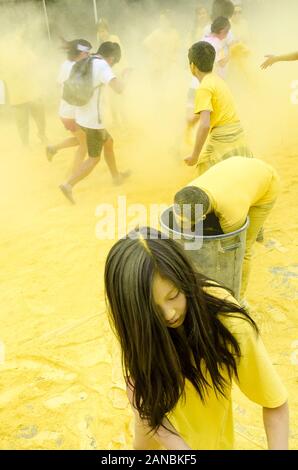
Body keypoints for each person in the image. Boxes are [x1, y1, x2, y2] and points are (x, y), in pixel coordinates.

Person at [104, 226, 289, 450]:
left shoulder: (229, 324)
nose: (170, 314)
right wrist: (175, 445)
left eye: (174, 296)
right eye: (152, 311)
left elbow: (275, 403)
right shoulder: (135, 328)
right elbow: (142, 401)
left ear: (185, 278)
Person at [174, 156, 280, 298]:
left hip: (266, 182)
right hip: (236, 169)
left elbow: (232, 253)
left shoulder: (232, 214)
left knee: (245, 248)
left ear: (202, 217)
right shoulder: (187, 193)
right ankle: (256, 224)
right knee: (242, 204)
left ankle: (239, 298)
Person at [59, 42, 130, 204]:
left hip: (82, 116)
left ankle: (116, 177)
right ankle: (68, 184)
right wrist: (125, 77)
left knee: (109, 142)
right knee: (94, 158)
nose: (113, 64)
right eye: (114, 61)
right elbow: (119, 89)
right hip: (93, 121)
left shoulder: (88, 60)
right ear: (111, 58)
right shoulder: (103, 66)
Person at [185, 41, 252, 174]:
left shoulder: (203, 88)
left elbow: (204, 125)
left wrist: (194, 156)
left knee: (204, 171)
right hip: (239, 137)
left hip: (223, 140)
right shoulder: (218, 80)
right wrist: (192, 121)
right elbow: (210, 109)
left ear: (192, 66)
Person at [46, 39, 92, 175]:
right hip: (71, 114)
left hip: (67, 112)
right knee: (85, 144)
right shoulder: (74, 67)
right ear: (79, 53)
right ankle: (72, 175)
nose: (88, 56)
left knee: (82, 139)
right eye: (86, 53)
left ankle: (53, 148)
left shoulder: (66, 64)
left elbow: (58, 84)